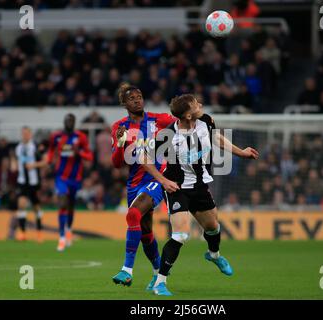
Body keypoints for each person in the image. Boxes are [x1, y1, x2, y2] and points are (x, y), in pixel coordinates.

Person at [141, 94, 259, 296]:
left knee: (213, 227)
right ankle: (160, 283)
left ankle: (214, 255)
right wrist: (163, 181)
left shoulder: (206, 121)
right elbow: (144, 158)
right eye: (196, 104)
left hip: (200, 186)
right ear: (188, 114)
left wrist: (240, 152)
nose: (200, 105)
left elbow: (215, 137)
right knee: (180, 234)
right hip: (177, 188)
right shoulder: (168, 135)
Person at [111, 83, 176, 290]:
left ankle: (127, 271)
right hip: (135, 184)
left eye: (139, 96)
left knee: (132, 215)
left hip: (157, 178)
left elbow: (183, 123)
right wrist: (120, 144)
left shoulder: (160, 120)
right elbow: (116, 163)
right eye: (132, 98)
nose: (137, 100)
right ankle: (158, 273)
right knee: (146, 233)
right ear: (124, 103)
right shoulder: (120, 126)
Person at [46, 113, 93, 251]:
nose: (69, 122)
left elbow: (89, 156)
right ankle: (61, 237)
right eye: (67, 120)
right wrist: (49, 161)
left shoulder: (81, 137)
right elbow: (50, 150)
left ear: (74, 122)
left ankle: (68, 229)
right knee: (62, 201)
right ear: (64, 122)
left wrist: (80, 153)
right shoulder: (56, 136)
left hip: (75, 178)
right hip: (61, 176)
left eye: (71, 120)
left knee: (71, 205)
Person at [11, 127, 46, 242]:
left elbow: (45, 162)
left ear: (30, 134)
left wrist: (33, 165)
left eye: (27, 133)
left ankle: (39, 231)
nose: (25, 135)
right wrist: (14, 165)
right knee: (21, 204)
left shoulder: (35, 147)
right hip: (22, 181)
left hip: (34, 182)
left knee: (36, 207)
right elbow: (15, 161)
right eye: (23, 133)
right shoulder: (18, 148)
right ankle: (22, 232)